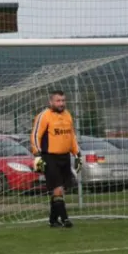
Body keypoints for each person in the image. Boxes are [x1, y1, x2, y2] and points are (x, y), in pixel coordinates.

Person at [30, 90, 82, 228]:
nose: (61, 103)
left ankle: (53, 220)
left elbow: (72, 136)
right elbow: (35, 136)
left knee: (61, 190)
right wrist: (37, 155)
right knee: (58, 189)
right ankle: (65, 219)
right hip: (49, 157)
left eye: (63, 100)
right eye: (58, 101)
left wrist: (77, 154)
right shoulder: (44, 116)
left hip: (64, 157)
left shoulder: (67, 115)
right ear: (51, 102)